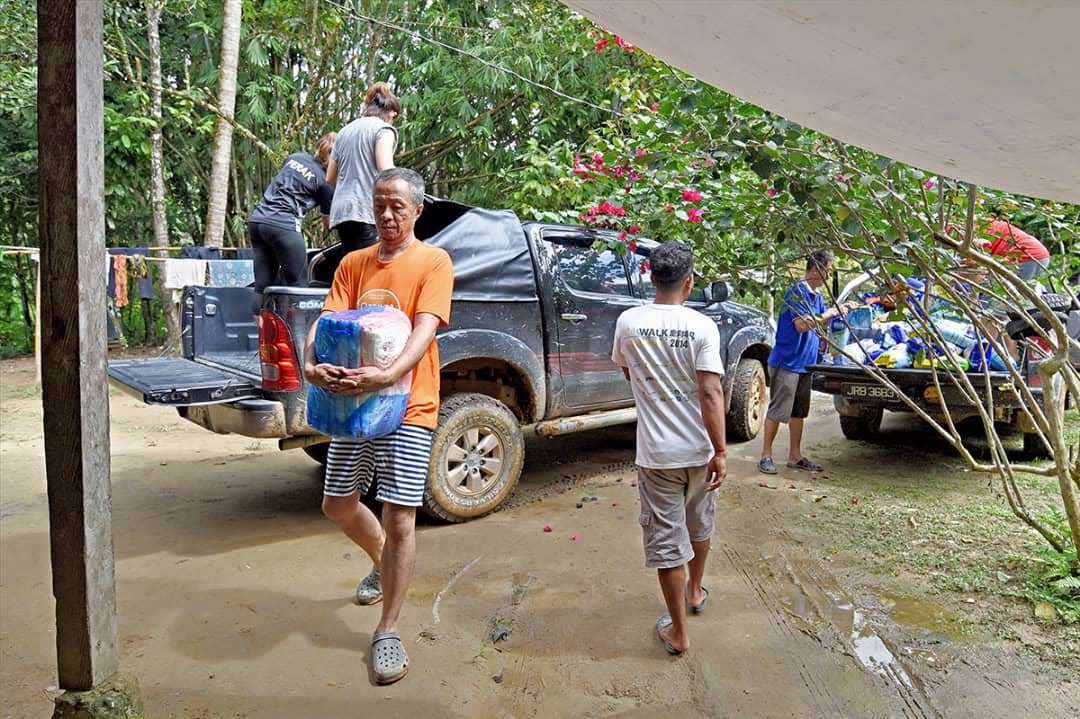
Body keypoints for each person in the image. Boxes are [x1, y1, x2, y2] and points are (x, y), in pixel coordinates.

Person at [302, 168, 453, 685]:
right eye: (380, 205)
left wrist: (388, 373)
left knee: (400, 520)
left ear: (417, 211)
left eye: (398, 207)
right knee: (337, 504)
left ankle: (388, 630)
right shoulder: (354, 263)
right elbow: (327, 323)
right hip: (352, 407)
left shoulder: (433, 261)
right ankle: (383, 564)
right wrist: (310, 365)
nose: (387, 216)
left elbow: (424, 329)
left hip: (410, 406)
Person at [611, 241, 728, 656]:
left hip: (657, 455)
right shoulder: (702, 326)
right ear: (690, 281)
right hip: (698, 450)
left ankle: (679, 631)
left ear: (651, 277)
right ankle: (695, 591)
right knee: (698, 524)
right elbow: (711, 391)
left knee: (667, 540)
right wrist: (721, 450)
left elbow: (628, 371)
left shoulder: (628, 322)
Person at [759, 250, 844, 475]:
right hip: (787, 362)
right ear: (817, 269)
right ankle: (765, 456)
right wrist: (832, 313)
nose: (828, 275)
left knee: (799, 412)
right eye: (828, 270)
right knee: (778, 410)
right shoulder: (796, 292)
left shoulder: (818, 297)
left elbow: (819, 326)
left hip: (806, 364)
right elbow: (802, 325)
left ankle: (794, 456)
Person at [248, 133, 336, 313]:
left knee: (262, 285)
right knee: (299, 286)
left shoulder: (296, 157)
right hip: (283, 225)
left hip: (257, 220)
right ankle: (297, 335)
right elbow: (328, 222)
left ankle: (261, 336)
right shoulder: (325, 183)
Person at [327, 82, 401, 254]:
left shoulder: (344, 132)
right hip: (365, 210)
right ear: (390, 112)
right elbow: (386, 170)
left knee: (354, 268)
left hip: (342, 211)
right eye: (394, 117)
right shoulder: (383, 129)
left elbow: (330, 178)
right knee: (372, 270)